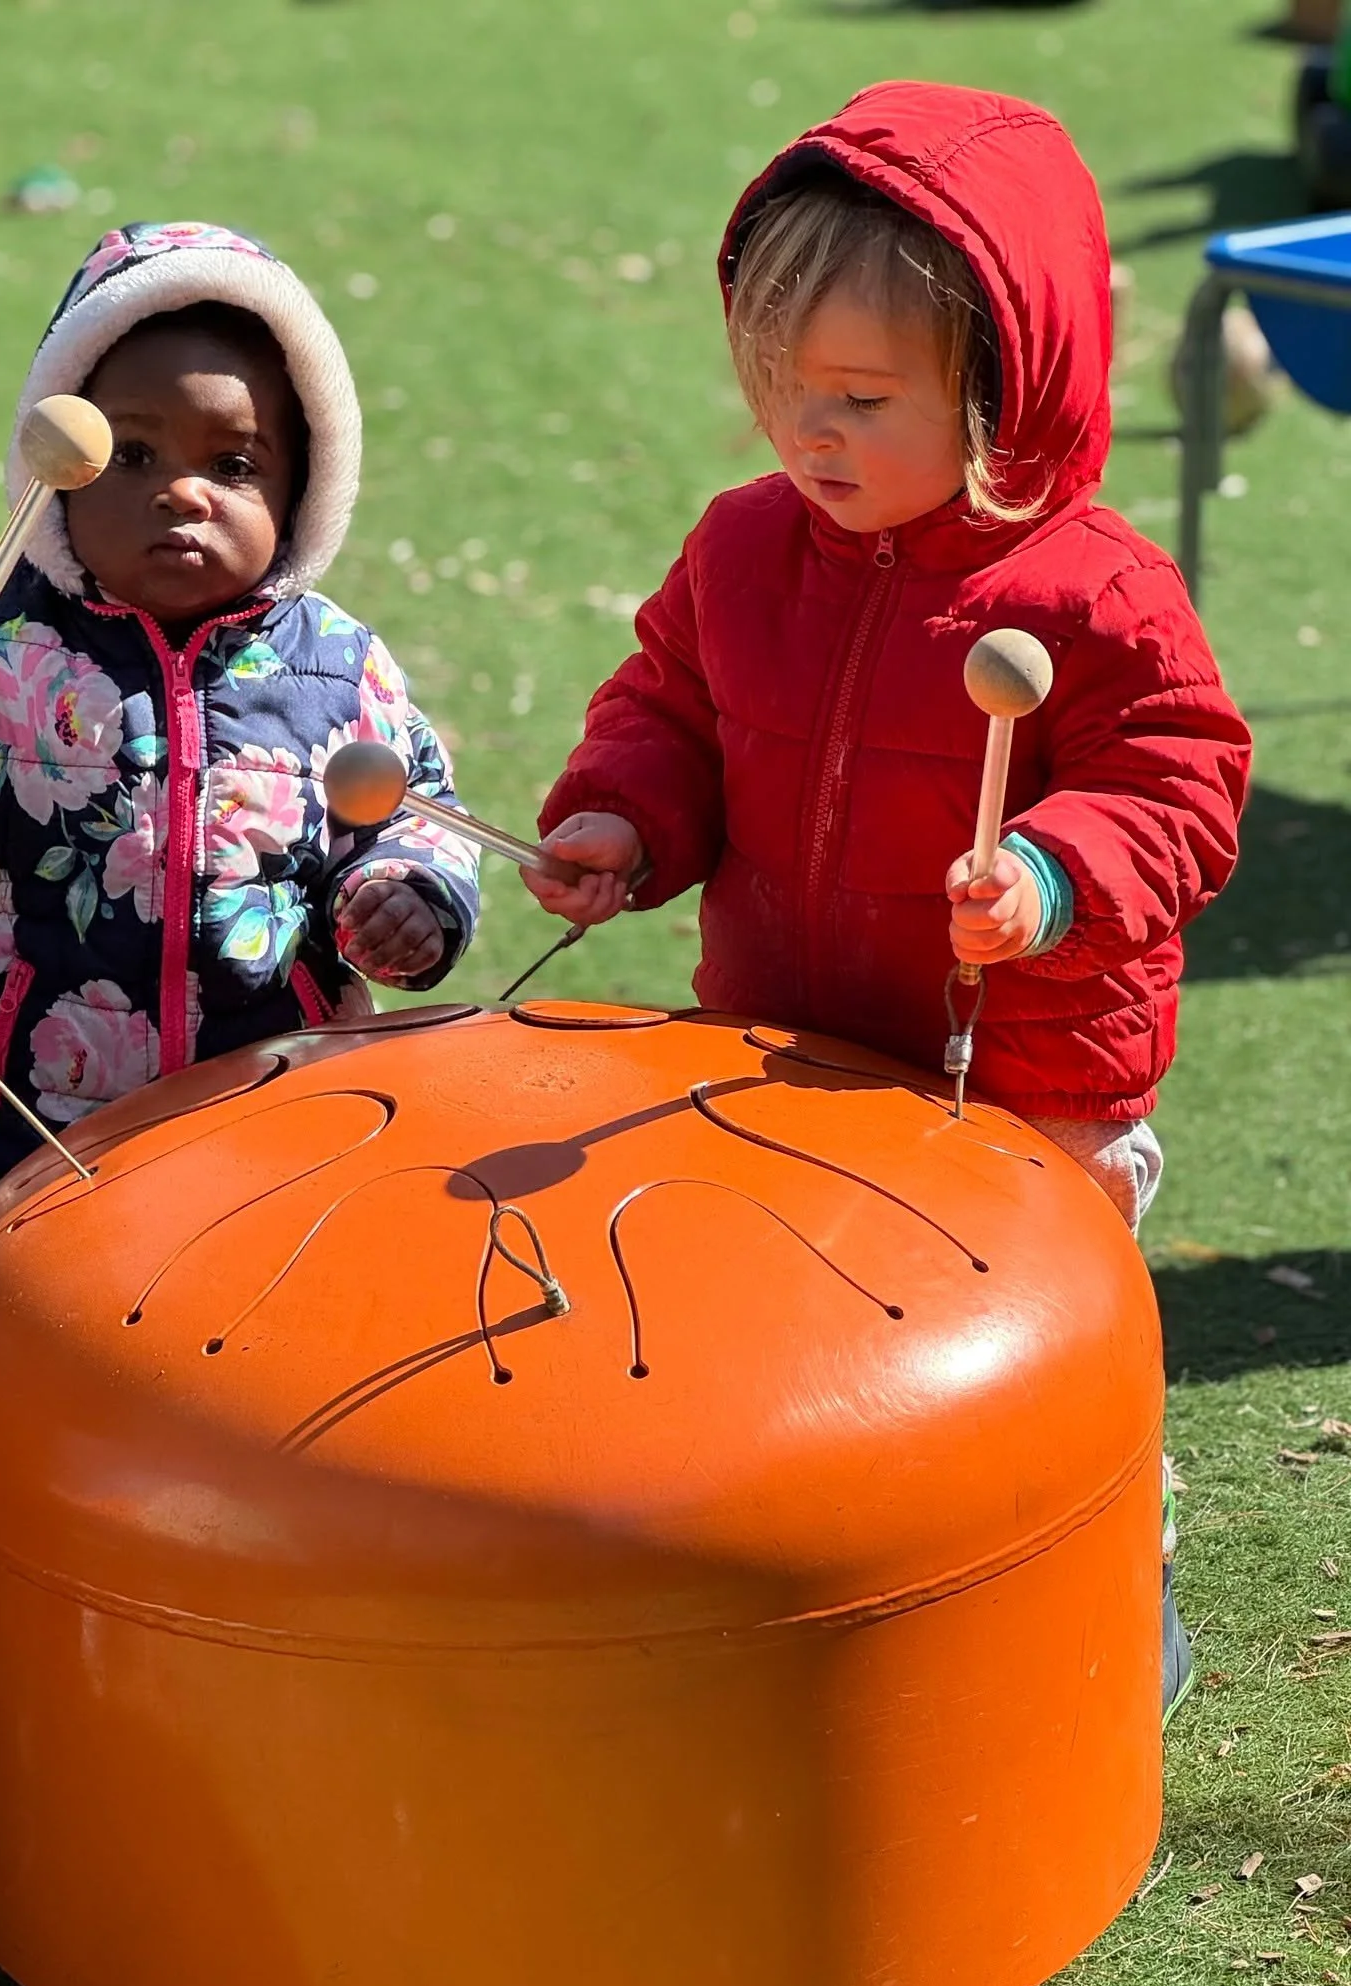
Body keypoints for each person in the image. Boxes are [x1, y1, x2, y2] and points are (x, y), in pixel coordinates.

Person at [524, 84, 1253, 1739]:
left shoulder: (1099, 594)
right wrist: (616, 821)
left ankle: (1092, 1623)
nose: (808, 434)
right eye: (778, 389)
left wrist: (1053, 872)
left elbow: (1179, 787)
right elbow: (673, 711)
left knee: (1039, 1384)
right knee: (794, 1365)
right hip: (791, 1053)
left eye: (858, 397)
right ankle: (814, 1636)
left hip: (1029, 1081)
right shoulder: (741, 549)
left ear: (1002, 391)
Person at [0, 222, 480, 1201]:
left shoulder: (342, 668)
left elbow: (422, 811)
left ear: (304, 487)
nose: (182, 493)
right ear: (57, 465)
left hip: (271, 1137)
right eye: (130, 453)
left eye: (236, 465)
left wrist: (410, 892)